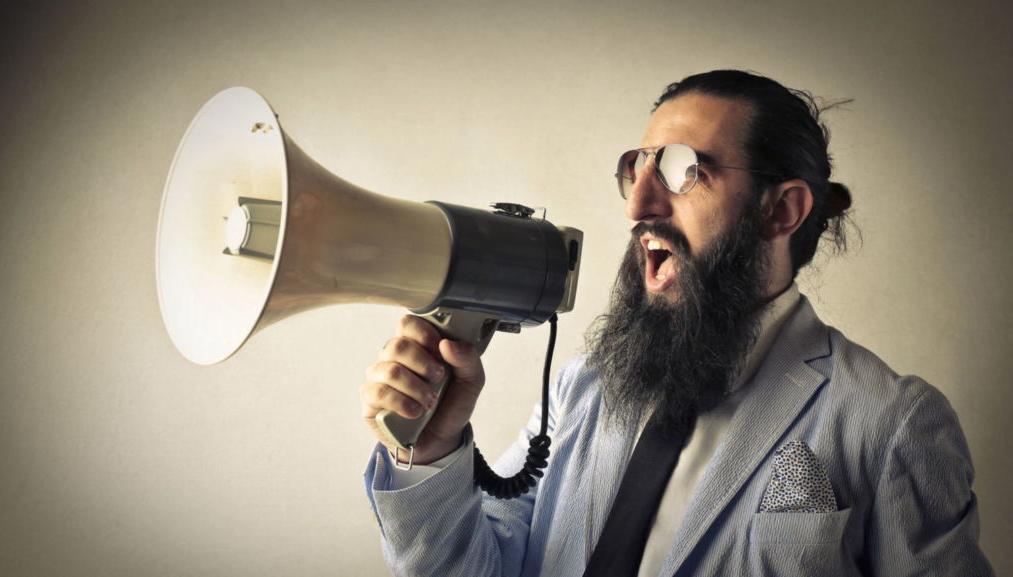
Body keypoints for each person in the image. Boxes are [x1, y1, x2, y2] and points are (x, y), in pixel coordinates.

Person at [358, 70, 993, 576]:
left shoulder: (893, 423)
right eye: (636, 168)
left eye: (682, 169)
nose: (638, 204)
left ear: (783, 210)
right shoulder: (580, 387)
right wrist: (435, 451)